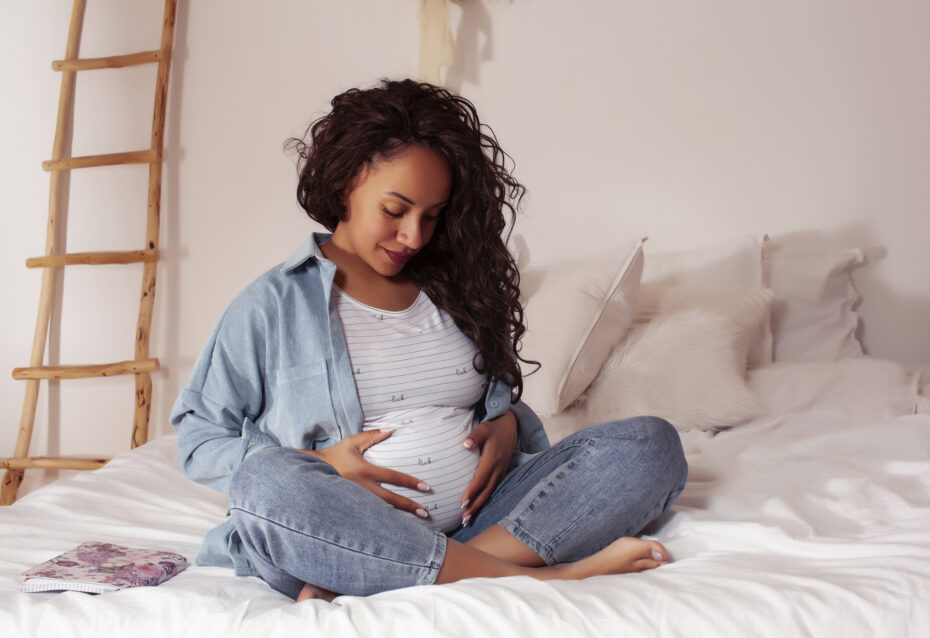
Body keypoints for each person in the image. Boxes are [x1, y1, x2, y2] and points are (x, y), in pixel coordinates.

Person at [170, 79, 687, 602]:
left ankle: (412, 572)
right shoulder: (271, 304)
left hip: (483, 520)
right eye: (395, 211)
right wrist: (323, 465)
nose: (414, 236)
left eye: (431, 216)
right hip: (339, 531)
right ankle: (540, 579)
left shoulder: (456, 290)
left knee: (650, 445)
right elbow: (198, 439)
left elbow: (491, 403)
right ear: (346, 182)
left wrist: (507, 425)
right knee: (267, 488)